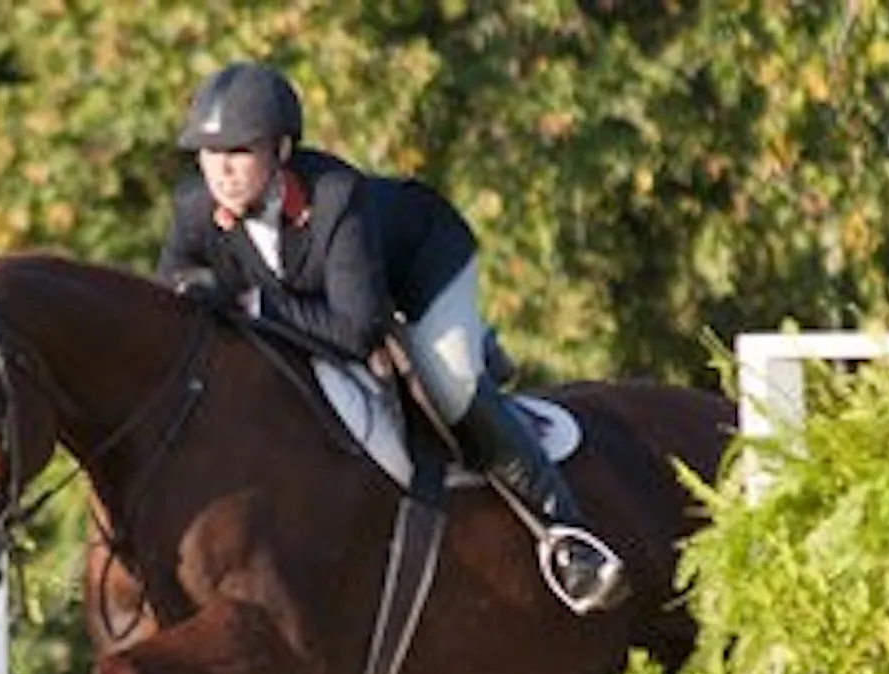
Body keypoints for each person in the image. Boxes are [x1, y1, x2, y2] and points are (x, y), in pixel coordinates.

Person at [156, 61, 625, 613]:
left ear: (281, 151)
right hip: (326, 301)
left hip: (423, 269)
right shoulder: (194, 211)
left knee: (449, 389)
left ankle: (566, 535)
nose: (222, 172)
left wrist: (250, 302)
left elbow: (358, 331)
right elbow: (174, 300)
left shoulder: (336, 198)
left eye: (239, 153)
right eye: (210, 155)